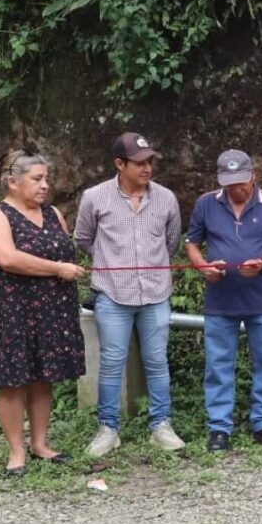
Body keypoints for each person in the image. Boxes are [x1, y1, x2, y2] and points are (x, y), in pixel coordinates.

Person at [75, 133, 184, 456]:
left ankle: (161, 426)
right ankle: (108, 428)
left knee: (157, 362)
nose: (147, 168)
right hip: (112, 294)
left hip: (155, 292)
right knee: (111, 362)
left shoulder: (166, 199)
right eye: (139, 163)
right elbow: (83, 238)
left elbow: (171, 241)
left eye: (150, 161)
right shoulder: (95, 198)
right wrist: (113, 261)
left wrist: (147, 265)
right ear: (119, 164)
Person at [0, 149, 86, 475]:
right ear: (13, 182)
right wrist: (57, 268)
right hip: (13, 307)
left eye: (46, 179)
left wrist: (64, 269)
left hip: (53, 306)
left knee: (43, 376)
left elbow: (66, 250)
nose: (45, 185)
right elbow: (7, 258)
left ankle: (40, 444)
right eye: (37, 179)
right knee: (12, 379)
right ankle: (16, 452)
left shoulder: (53, 213)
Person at [184, 150, 262, 451]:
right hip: (220, 299)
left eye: (241, 182)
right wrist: (204, 267)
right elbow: (192, 243)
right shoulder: (206, 203)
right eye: (230, 183)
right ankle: (219, 428)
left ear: (253, 175)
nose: (236, 188)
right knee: (218, 364)